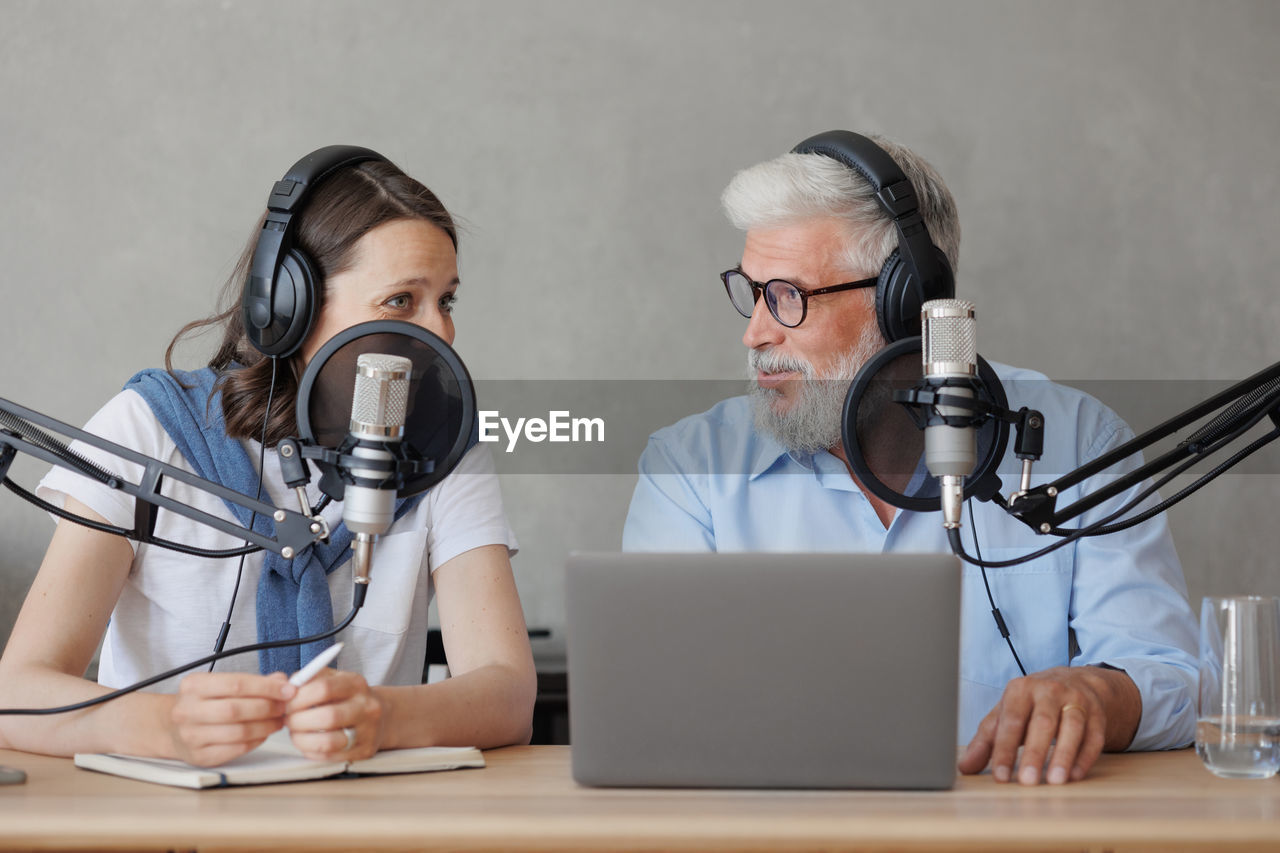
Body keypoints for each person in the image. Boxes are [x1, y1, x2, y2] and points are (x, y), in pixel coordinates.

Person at [622, 130, 1199, 786]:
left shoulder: (1078, 444)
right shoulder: (688, 470)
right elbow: (654, 711)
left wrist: (1100, 695)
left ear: (906, 303)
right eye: (750, 291)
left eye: (786, 296)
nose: (755, 332)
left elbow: (1170, 675)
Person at [0, 148, 536, 766]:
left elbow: (509, 694)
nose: (437, 333)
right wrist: (159, 726)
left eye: (446, 301)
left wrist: (385, 716)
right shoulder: (147, 430)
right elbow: (19, 694)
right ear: (288, 308)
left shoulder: (442, 449)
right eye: (400, 301)